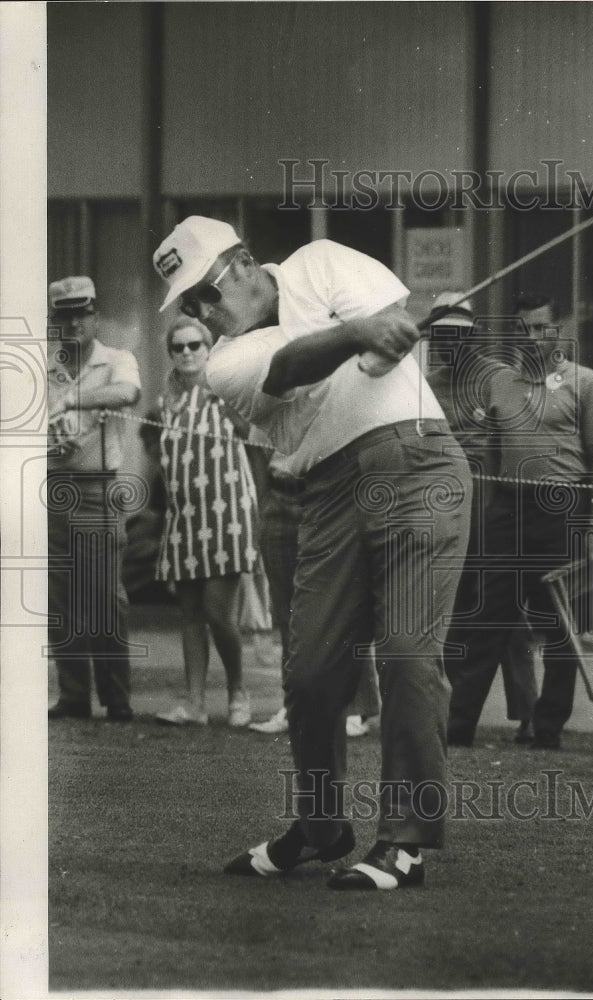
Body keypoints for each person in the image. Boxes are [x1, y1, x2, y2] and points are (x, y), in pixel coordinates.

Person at [152, 217, 471, 890]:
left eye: (202, 297)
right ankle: (321, 826)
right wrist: (359, 335)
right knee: (311, 675)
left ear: (240, 264)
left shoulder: (320, 261)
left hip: (415, 463)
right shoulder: (223, 363)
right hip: (323, 489)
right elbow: (292, 367)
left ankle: (404, 843)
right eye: (188, 307)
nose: (199, 314)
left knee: (409, 652)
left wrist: (377, 334)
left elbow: (388, 321)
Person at [445, 293, 593, 750]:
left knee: (558, 623)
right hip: (508, 511)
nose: (533, 338)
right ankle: (458, 727)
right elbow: (492, 454)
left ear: (558, 329)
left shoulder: (585, 383)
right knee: (486, 620)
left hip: (563, 512)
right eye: (524, 329)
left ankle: (547, 729)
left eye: (541, 328)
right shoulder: (503, 384)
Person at [424, 293, 538, 745]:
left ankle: (529, 713)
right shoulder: (427, 381)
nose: (445, 343)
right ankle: (448, 713)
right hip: (442, 506)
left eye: (454, 334)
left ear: (471, 335)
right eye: (438, 334)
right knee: (448, 610)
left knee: (504, 614)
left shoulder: (498, 377)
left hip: (493, 508)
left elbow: (514, 444)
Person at [154, 316, 258, 727]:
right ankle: (195, 702)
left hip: (227, 512)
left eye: (195, 345)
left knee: (219, 612)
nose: (186, 353)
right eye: (178, 347)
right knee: (189, 612)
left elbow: (255, 438)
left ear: (209, 347)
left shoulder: (226, 393)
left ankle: (238, 690)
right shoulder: (167, 402)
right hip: (184, 516)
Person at [47, 276, 141, 721]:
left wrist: (72, 401)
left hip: (97, 489)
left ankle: (116, 698)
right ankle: (72, 696)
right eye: (65, 314)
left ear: (96, 314)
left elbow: (128, 393)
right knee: (59, 596)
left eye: (82, 312)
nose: (75, 322)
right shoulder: (42, 365)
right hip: (51, 487)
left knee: (105, 596)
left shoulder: (116, 359)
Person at [247, 445, 381, 738]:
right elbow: (257, 451)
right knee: (287, 613)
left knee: (341, 605)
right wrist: (261, 508)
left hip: (329, 498)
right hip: (279, 497)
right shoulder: (271, 399)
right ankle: (294, 703)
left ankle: (355, 706)